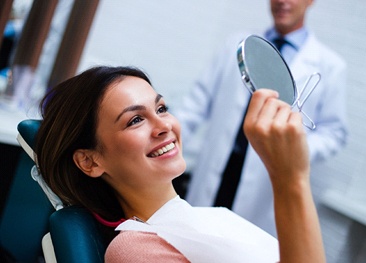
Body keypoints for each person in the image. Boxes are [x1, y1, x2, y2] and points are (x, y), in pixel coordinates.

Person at [35, 66, 325, 262]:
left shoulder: (215, 218)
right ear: (89, 161)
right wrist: (290, 179)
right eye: (135, 120)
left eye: (162, 108)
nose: (164, 125)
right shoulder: (137, 250)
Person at [173, 0, 348, 236]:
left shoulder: (330, 67)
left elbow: (334, 133)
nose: (282, 1)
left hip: (264, 187)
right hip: (214, 173)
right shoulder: (235, 45)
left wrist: (293, 147)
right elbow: (195, 103)